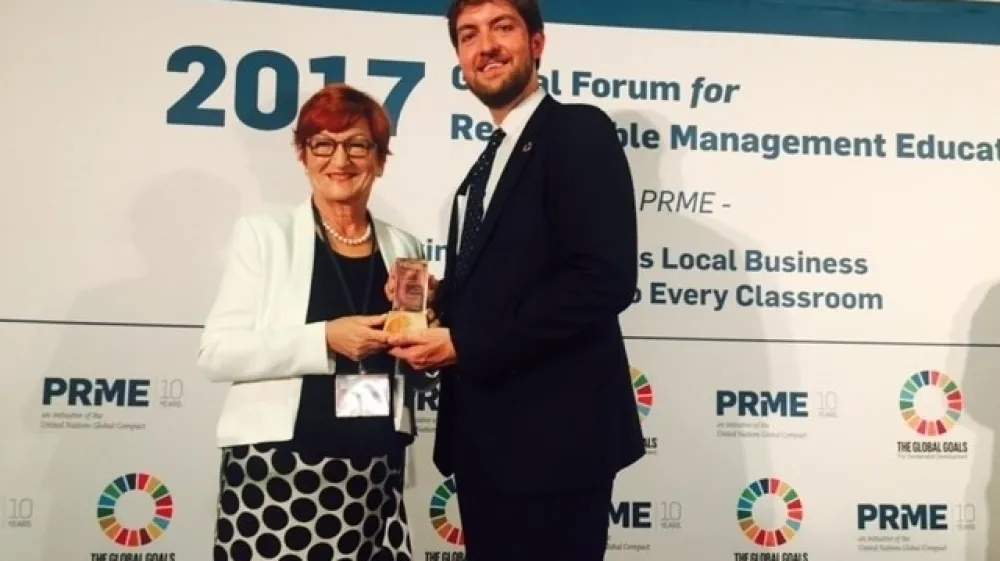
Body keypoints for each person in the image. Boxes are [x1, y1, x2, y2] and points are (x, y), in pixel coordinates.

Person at [386, 1, 644, 559]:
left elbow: (603, 278)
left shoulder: (577, 131)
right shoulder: (484, 165)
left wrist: (465, 342)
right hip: (485, 442)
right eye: (468, 35)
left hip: (555, 445)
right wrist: (440, 300)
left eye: (502, 28)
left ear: (537, 43)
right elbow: (508, 283)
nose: (486, 47)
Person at [198, 83, 436, 561]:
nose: (340, 160)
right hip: (280, 471)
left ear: (380, 160)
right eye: (323, 145)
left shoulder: (404, 246)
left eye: (358, 145)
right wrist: (325, 339)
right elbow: (217, 353)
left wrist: (422, 342)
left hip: (377, 471)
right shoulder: (265, 236)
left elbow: (411, 368)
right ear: (303, 156)